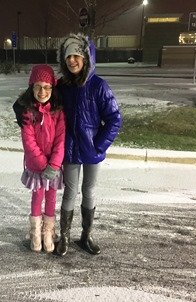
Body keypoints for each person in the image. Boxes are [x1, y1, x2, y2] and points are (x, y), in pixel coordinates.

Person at [13, 33, 122, 256]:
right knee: (70, 192)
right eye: (68, 56)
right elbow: (34, 97)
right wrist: (19, 110)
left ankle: (86, 235)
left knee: (89, 190)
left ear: (86, 58)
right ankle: (63, 236)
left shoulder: (99, 86)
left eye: (77, 55)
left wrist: (99, 145)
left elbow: (114, 118)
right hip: (69, 150)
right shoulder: (61, 86)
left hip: (92, 151)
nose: (72, 60)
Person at [18, 64, 66, 253]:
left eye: (47, 87)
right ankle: (36, 233)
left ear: (52, 89)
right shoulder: (27, 113)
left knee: (52, 197)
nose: (42, 91)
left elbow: (61, 139)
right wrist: (41, 164)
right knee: (37, 196)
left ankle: (48, 231)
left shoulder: (57, 112)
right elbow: (28, 141)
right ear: (32, 87)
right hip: (36, 166)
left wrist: (54, 164)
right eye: (38, 86)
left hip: (53, 167)